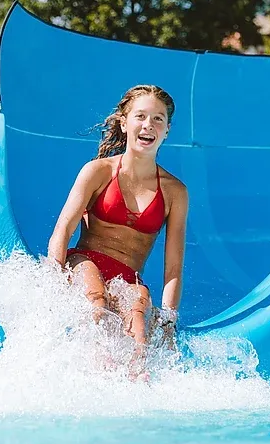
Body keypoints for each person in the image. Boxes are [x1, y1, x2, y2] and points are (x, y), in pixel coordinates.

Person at [47, 84, 189, 374]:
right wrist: (51, 281)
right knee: (96, 299)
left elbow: (173, 267)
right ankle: (92, 375)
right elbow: (63, 230)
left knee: (138, 320)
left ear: (167, 130)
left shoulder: (175, 191)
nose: (148, 125)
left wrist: (169, 319)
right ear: (124, 123)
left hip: (128, 276)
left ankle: (133, 392)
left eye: (158, 119)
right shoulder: (98, 171)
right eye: (140, 116)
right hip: (84, 262)